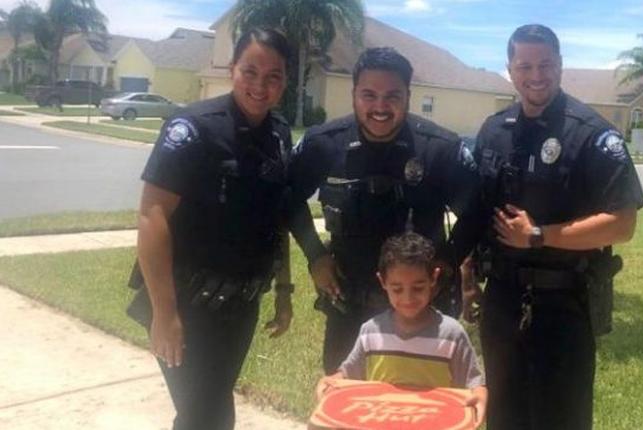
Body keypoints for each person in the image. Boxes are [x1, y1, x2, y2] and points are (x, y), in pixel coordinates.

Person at [462, 24, 643, 429]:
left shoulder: (591, 134)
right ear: (510, 69)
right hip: (503, 299)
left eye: (545, 64)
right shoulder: (494, 131)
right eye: (524, 65)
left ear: (560, 65)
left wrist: (540, 236)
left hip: (564, 305)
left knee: (561, 417)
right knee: (504, 414)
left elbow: (623, 222)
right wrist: (467, 276)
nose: (536, 75)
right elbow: (478, 210)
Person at [127, 28, 299, 430]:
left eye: (274, 76)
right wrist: (165, 314)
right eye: (250, 71)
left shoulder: (278, 134)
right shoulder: (193, 127)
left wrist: (284, 292)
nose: (261, 85)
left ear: (286, 81)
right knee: (205, 415)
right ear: (231, 68)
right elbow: (152, 216)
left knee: (211, 408)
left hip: (241, 306)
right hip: (186, 302)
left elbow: (276, 219)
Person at [288, 47, 480, 375]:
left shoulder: (439, 149)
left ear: (408, 95)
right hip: (348, 304)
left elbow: (476, 212)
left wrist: (448, 260)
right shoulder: (324, 143)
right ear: (354, 95)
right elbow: (289, 198)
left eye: (392, 96)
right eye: (369, 95)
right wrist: (315, 255)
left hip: (420, 309)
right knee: (347, 405)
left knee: (420, 408)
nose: (380, 106)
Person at [316, 232, 487, 427]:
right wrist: (331, 381)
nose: (408, 299)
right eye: (397, 289)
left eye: (418, 288)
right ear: (383, 282)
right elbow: (347, 375)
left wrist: (480, 396)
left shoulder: (451, 334)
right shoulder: (371, 333)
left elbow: (474, 385)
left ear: (434, 278)